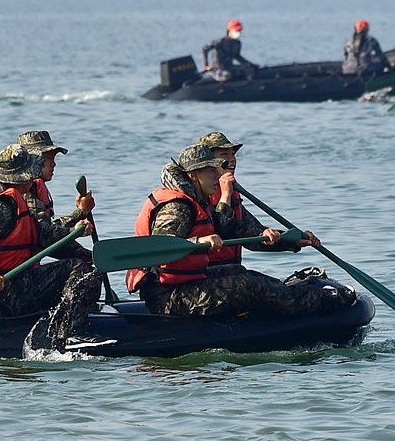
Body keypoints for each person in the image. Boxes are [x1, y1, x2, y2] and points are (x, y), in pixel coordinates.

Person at [125, 144, 357, 319]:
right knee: (245, 285)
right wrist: (199, 239)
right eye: (209, 171)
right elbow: (161, 246)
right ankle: (322, 304)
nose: (217, 176)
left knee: (241, 271)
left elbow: (230, 228)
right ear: (193, 175)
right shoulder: (177, 207)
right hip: (168, 296)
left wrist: (288, 240)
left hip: (185, 283)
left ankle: (305, 296)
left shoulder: (197, 200)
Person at [0, 144, 113, 352]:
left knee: (83, 265)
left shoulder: (14, 201)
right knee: (79, 270)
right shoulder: (0, 207)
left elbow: (42, 235)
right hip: (1, 295)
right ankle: (73, 332)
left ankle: (69, 319)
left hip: (9, 289)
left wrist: (75, 231)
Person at [194, 131, 301, 269]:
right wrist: (225, 195)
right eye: (224, 155)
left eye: (233, 153)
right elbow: (224, 230)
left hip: (230, 270)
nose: (232, 159)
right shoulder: (200, 194)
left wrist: (294, 240)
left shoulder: (231, 192)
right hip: (206, 273)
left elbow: (250, 230)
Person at [17, 130, 93, 229]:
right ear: (32, 160)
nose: (54, 164)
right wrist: (81, 211)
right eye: (48, 158)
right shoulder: (26, 189)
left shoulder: (36, 185)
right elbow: (44, 233)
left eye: (54, 158)